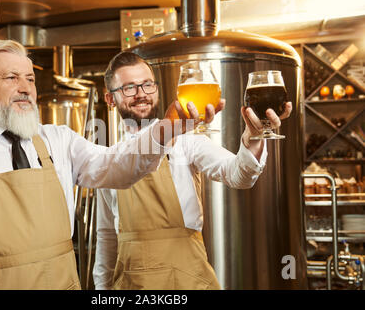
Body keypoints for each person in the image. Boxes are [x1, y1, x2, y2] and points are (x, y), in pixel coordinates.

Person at [0, 40, 212, 290]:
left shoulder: (59, 140)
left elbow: (118, 166)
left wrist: (166, 129)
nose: (25, 88)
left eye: (30, 79)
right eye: (11, 78)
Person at [92, 51, 292, 290]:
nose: (141, 94)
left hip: (190, 282)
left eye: (147, 85)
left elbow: (239, 175)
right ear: (110, 99)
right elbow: (106, 237)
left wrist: (255, 137)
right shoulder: (106, 161)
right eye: (129, 88)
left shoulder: (186, 141)